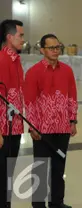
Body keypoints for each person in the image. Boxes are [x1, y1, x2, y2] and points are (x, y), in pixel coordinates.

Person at [24, 34, 78, 208]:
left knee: (59, 167)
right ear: (42, 50)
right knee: (40, 167)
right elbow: (29, 102)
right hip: (41, 129)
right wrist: (33, 127)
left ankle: (57, 202)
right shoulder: (34, 72)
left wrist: (73, 120)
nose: (56, 51)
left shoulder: (67, 70)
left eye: (58, 47)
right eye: (51, 48)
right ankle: (38, 204)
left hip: (62, 128)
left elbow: (72, 97)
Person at [0, 19, 25, 208]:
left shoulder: (16, 61)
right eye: (20, 36)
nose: (23, 40)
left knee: (8, 173)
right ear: (9, 37)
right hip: (3, 129)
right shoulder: (1, 59)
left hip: (15, 126)